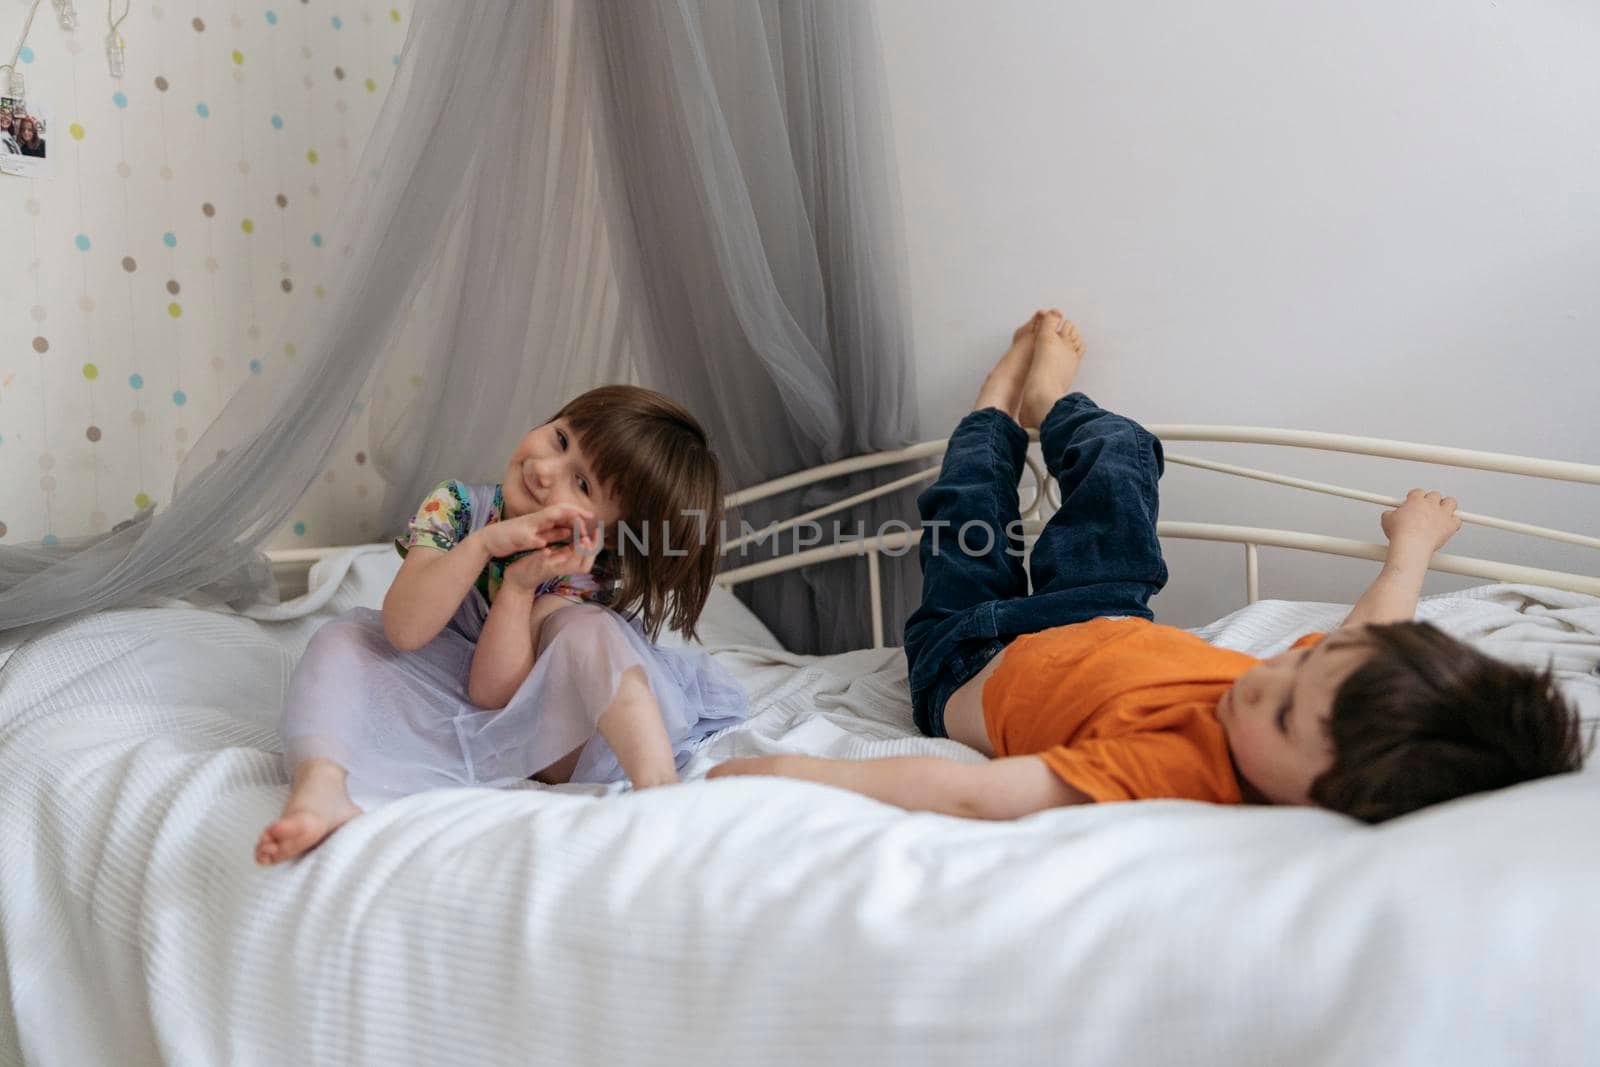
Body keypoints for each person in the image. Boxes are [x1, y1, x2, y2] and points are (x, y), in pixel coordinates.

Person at [710, 310, 1586, 822]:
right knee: (1124, 457)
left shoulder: (1179, 772)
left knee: (967, 506)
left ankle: (992, 410)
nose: (1263, 683)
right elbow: (1378, 628)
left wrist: (802, 774)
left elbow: (980, 793)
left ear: (1320, 801)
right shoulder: (1330, 693)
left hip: (967, 659)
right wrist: (1413, 545)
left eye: (1279, 716)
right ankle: (1053, 407)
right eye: (1302, 664)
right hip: (1100, 615)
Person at [255, 385, 746, 864]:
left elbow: (500, 694)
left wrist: (523, 586)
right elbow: (405, 630)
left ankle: (660, 790)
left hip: (573, 738)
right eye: (560, 439)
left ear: (609, 535)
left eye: (582, 485)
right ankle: (321, 788)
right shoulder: (457, 507)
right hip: (466, 709)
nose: (545, 471)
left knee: (587, 629)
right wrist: (486, 547)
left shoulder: (582, 567)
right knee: (346, 636)